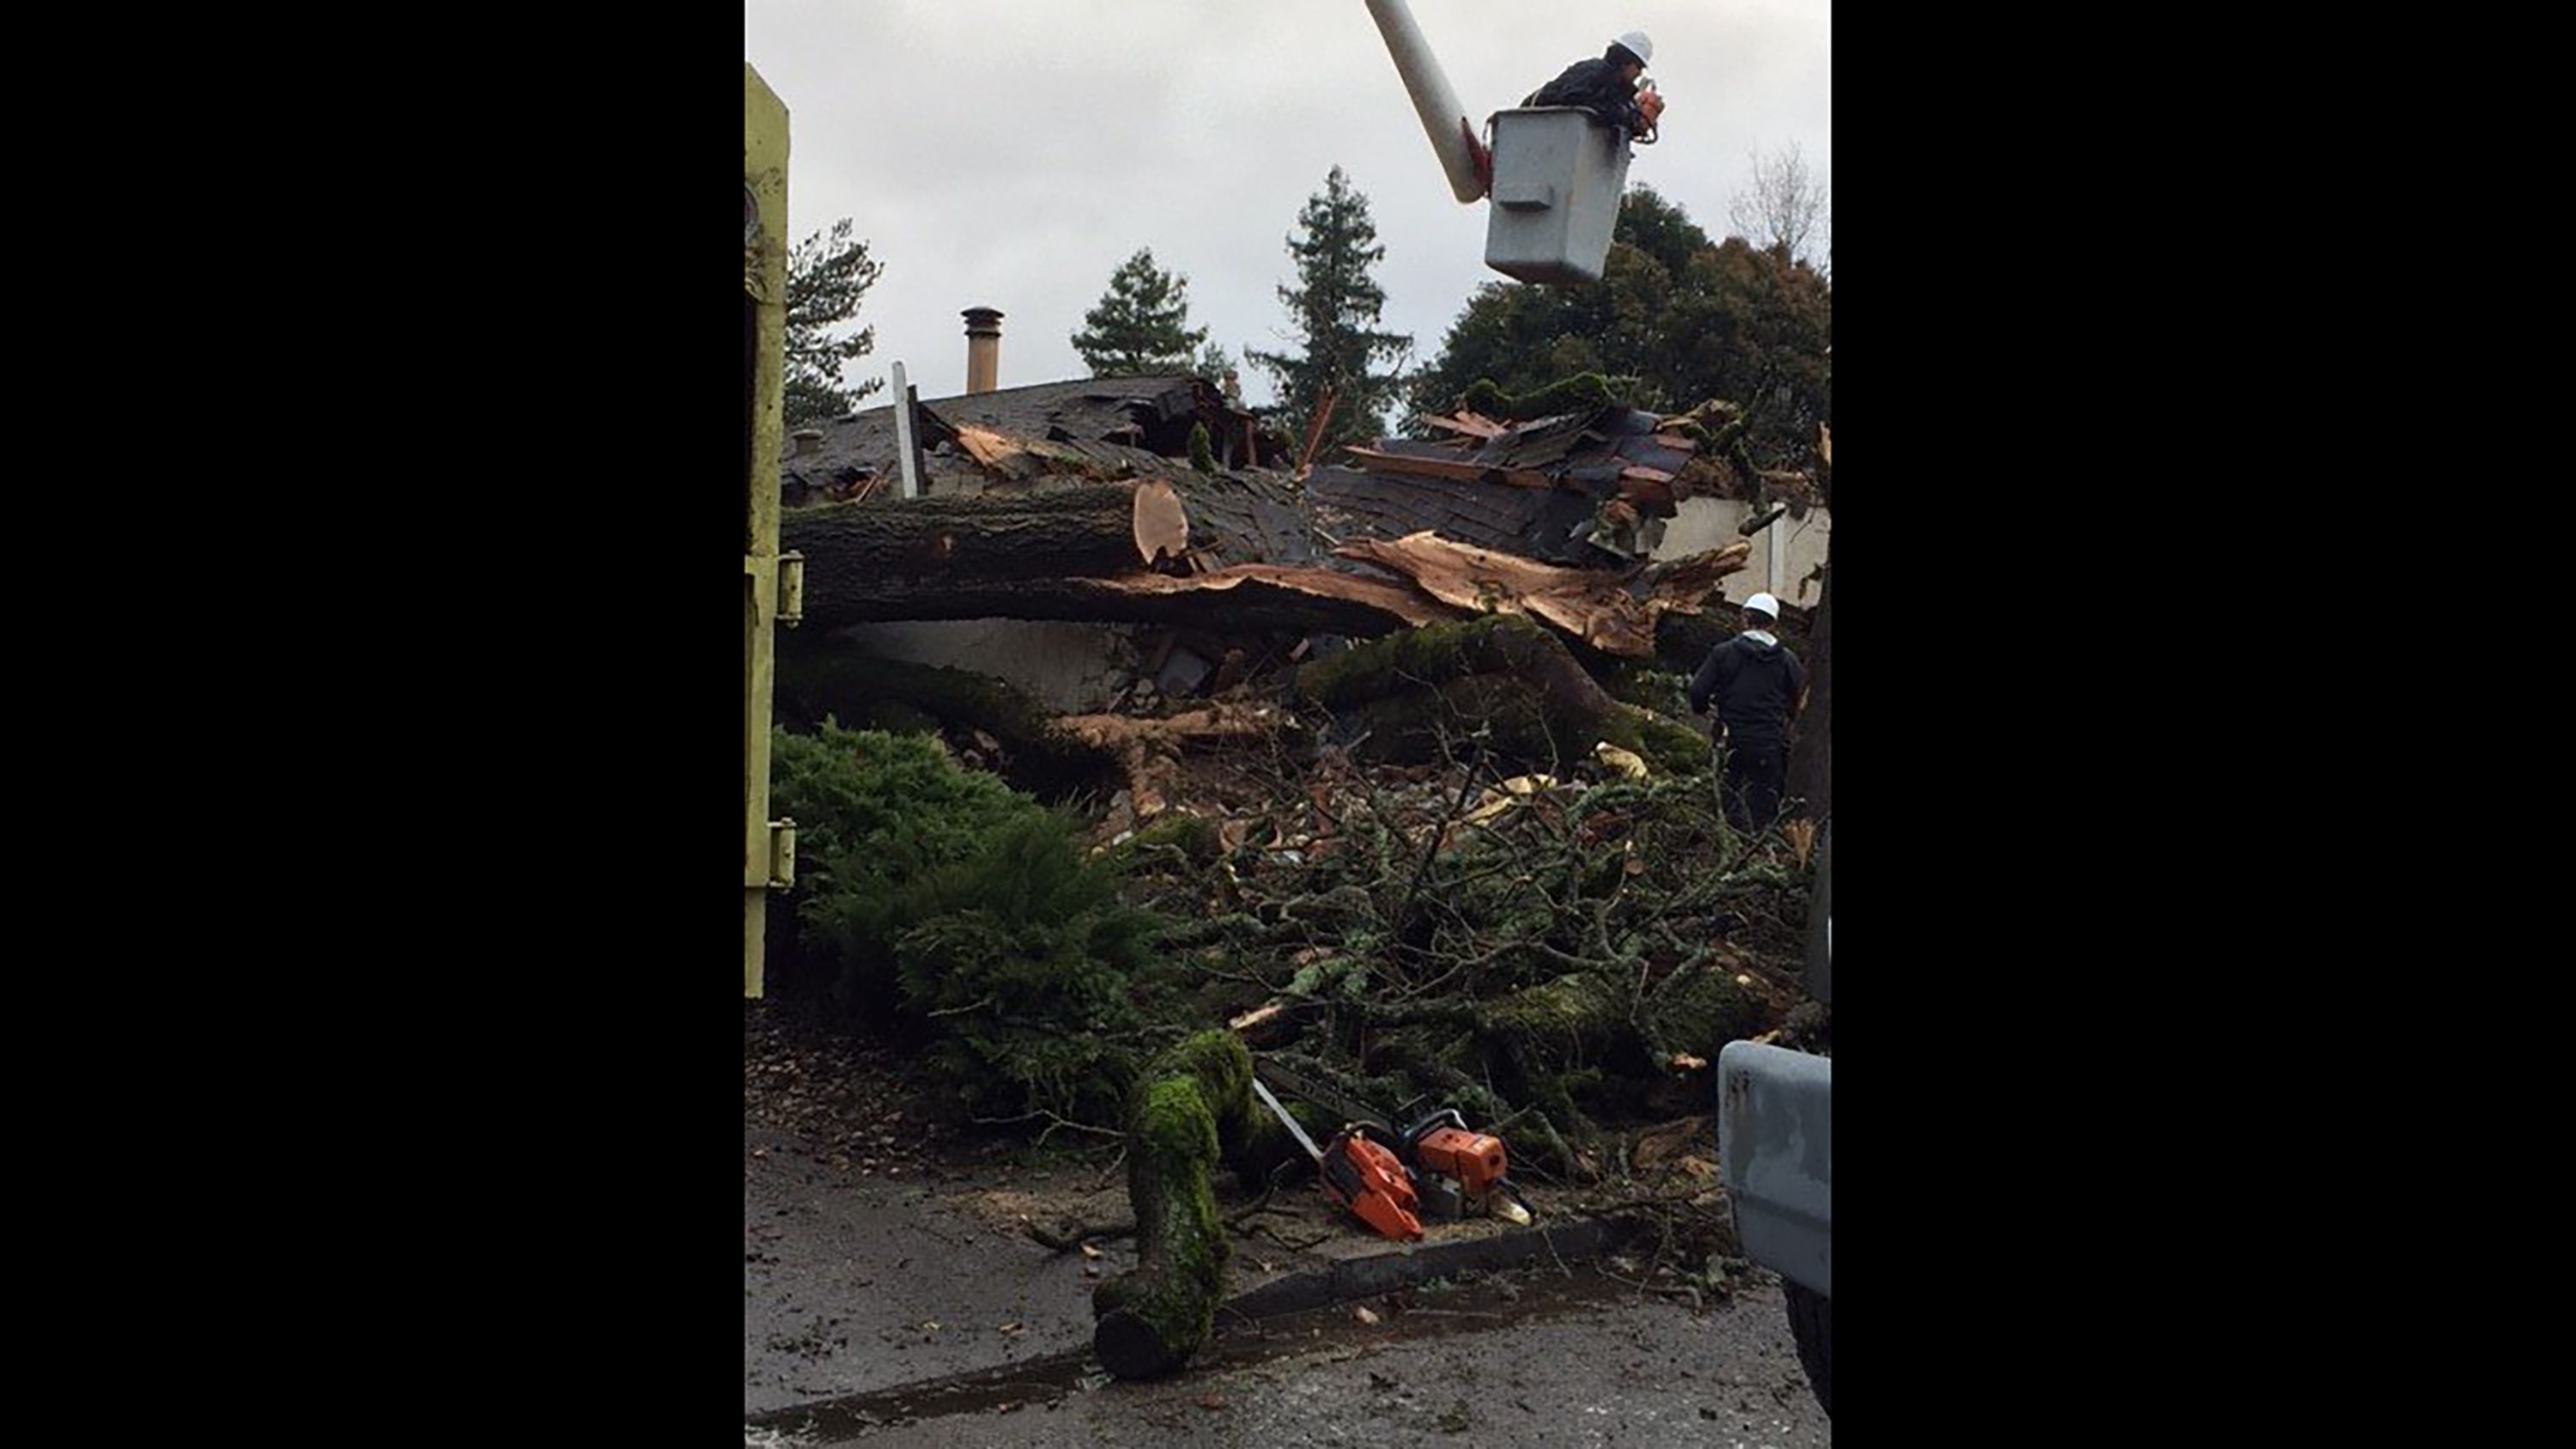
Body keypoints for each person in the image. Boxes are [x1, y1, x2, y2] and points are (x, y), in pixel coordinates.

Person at [1688, 592, 1805, 832]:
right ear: (1773, 624)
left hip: (1730, 738)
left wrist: (1701, 709)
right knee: (1765, 800)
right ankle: (1761, 849)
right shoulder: (1786, 660)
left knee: (1728, 795)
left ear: (1744, 617)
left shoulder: (1723, 653)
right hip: (1768, 740)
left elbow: (1698, 690)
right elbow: (1801, 700)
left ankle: (1729, 842)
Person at [1527, 30, 1658, 137]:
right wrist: (1617, 114)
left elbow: (1620, 117)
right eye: (1639, 67)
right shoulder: (1596, 70)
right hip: (1531, 121)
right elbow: (1573, 96)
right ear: (1626, 60)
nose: (1639, 73)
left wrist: (1637, 121)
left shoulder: (1618, 89)